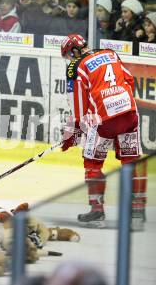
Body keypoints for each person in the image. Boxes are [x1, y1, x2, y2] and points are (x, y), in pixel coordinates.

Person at [60, 33, 147, 230]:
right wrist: (121, 106)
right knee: (130, 161)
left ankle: (97, 211)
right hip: (129, 112)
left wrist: (72, 134)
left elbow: (78, 108)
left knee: (92, 162)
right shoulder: (110, 53)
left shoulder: (76, 67)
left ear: (74, 50)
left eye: (68, 55)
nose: (69, 60)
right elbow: (130, 80)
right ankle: (137, 211)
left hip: (104, 120)